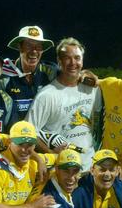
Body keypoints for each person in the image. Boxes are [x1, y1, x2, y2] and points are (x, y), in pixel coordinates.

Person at [27, 37, 102, 170]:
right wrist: (50, 154)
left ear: (82, 60)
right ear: (59, 61)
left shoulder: (94, 89)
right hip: (62, 171)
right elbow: (30, 133)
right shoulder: (46, 96)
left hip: (90, 169)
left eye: (77, 58)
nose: (73, 62)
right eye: (67, 58)